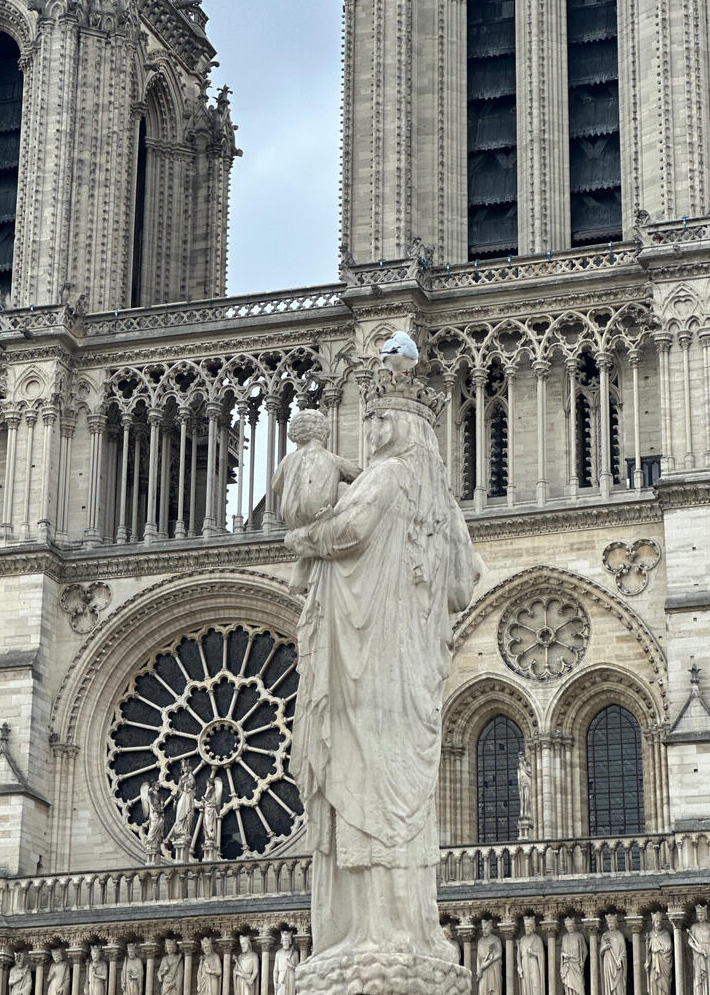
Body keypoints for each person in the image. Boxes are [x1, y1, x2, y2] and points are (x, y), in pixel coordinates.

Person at [287, 370, 481, 961]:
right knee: (397, 799)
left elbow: (346, 529)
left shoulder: (390, 477)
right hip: (409, 670)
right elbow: (466, 579)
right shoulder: (439, 497)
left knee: (360, 784)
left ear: (402, 425)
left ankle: (365, 932)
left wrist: (301, 539)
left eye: (377, 419)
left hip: (366, 663)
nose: (369, 429)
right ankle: (400, 930)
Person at [271, 409, 359, 595]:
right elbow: (361, 477)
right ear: (324, 433)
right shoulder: (332, 459)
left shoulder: (288, 460)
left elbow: (276, 486)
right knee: (345, 490)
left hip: (296, 525)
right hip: (322, 521)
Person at [687, 905, 710, 995]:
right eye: (698, 915)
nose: (700, 917)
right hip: (697, 953)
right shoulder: (693, 927)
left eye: (702, 915)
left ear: (705, 915)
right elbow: (690, 942)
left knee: (708, 974)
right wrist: (699, 950)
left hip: (708, 952)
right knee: (698, 975)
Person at [646, 912, 673, 995]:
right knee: (653, 982)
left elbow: (668, 948)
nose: (659, 923)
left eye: (660, 921)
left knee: (664, 984)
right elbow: (649, 952)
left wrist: (659, 948)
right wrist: (647, 962)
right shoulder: (650, 935)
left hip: (663, 963)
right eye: (657, 921)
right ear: (653, 923)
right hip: (654, 965)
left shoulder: (665, 934)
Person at [518, 916, 545, 995]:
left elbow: (541, 955)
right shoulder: (522, 940)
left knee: (535, 984)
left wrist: (533, 953)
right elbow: (519, 956)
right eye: (526, 926)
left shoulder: (537, 939)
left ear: (533, 927)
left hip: (533, 964)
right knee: (525, 985)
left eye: (529, 926)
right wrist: (519, 967)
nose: (527, 928)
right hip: (524, 964)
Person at [601, 914, 627, 995]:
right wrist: (605, 947)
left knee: (618, 986)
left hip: (617, 964)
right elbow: (601, 952)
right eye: (609, 923)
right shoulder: (604, 936)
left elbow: (623, 951)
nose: (610, 925)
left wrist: (620, 960)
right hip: (608, 963)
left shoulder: (619, 935)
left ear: (615, 923)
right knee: (608, 986)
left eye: (612, 923)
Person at [561, 916, 588, 995]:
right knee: (568, 986)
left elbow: (585, 951)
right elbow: (562, 952)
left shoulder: (579, 936)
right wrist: (565, 955)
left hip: (576, 964)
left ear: (574, 925)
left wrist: (583, 961)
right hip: (568, 965)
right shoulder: (564, 937)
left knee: (579, 985)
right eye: (568, 926)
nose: (569, 928)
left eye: (571, 926)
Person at [477, 920, 503, 995]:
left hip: (493, 967)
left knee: (494, 989)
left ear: (490, 928)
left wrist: (489, 962)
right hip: (483, 968)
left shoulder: (496, 940)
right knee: (483, 988)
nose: (483, 930)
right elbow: (478, 958)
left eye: (485, 928)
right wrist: (478, 969)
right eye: (482, 928)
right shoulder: (480, 941)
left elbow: (499, 953)